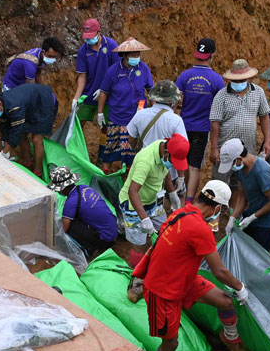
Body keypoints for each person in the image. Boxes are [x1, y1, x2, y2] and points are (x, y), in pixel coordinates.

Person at [132, 180, 251, 351]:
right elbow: (219, 271)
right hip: (163, 291)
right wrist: (240, 287)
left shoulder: (179, 213)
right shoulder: (200, 228)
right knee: (171, 343)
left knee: (225, 301)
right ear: (217, 208)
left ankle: (231, 339)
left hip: (183, 278)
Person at [118, 133, 190, 268]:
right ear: (166, 152)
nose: (173, 165)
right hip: (133, 204)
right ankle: (137, 273)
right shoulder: (145, 161)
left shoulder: (165, 147)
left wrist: (172, 193)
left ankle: (155, 263)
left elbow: (165, 170)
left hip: (154, 200)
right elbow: (132, 191)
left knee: (163, 231)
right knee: (139, 244)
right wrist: (144, 219)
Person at [175, 38, 225, 202]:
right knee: (194, 166)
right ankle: (188, 201)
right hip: (202, 129)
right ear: (212, 56)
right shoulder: (217, 80)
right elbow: (220, 109)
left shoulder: (185, 76)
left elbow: (176, 102)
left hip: (183, 127)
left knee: (182, 161)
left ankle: (180, 193)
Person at [96, 37, 155, 172]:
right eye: (133, 54)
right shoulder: (113, 71)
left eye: (138, 54)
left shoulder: (144, 69)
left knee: (133, 155)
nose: (136, 57)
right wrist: (100, 113)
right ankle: (107, 177)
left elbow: (150, 91)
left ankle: (129, 181)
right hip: (116, 117)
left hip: (137, 119)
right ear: (124, 55)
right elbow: (104, 92)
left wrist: (153, 111)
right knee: (109, 152)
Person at [127, 80, 188, 208]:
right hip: (169, 170)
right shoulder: (176, 121)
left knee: (145, 199)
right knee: (179, 197)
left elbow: (131, 139)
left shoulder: (140, 114)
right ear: (173, 102)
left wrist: (139, 153)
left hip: (145, 167)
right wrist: (181, 178)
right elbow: (181, 150)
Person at [208, 59, 270, 182]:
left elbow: (264, 116)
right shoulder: (221, 95)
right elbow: (215, 123)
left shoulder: (258, 92)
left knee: (244, 184)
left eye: (241, 80)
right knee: (220, 181)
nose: (238, 83)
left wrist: (267, 140)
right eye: (235, 81)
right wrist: (214, 148)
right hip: (224, 150)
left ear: (249, 79)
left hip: (248, 149)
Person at [217, 139, 270, 252]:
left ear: (239, 159)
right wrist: (233, 217)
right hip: (253, 212)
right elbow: (242, 195)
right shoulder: (240, 169)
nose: (231, 168)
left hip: (268, 220)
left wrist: (252, 217)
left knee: (258, 254)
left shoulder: (262, 172)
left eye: (231, 164)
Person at [0, 83, 57, 178]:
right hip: (30, 103)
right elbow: (4, 125)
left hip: (44, 101)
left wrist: (4, 152)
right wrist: (4, 143)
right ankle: (28, 161)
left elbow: (16, 130)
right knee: (21, 134)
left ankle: (38, 171)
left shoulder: (14, 106)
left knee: (37, 139)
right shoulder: (1, 104)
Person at [49, 166, 117, 258]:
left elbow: (63, 230)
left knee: (69, 226)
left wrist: (53, 242)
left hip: (104, 239)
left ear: (62, 189)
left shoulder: (71, 202)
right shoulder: (84, 188)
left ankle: (90, 248)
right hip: (112, 231)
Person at [71, 19, 120, 128]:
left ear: (99, 32)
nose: (89, 39)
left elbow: (117, 72)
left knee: (106, 126)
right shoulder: (83, 50)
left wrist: (104, 89)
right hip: (89, 93)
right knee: (78, 124)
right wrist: (76, 98)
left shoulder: (111, 45)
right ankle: (77, 145)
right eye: (86, 37)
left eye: (91, 36)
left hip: (108, 95)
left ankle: (103, 146)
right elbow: (82, 76)